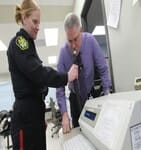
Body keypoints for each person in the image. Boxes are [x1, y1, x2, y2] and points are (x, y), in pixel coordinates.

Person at [7, 1, 78, 150]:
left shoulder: (29, 46)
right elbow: (38, 73)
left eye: (39, 22)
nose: (38, 26)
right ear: (24, 18)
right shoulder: (20, 43)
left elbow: (37, 81)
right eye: (34, 21)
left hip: (33, 117)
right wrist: (66, 77)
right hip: (25, 118)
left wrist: (39, 116)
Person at [56, 13, 111, 134]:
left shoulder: (90, 41)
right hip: (75, 97)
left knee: (97, 128)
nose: (73, 45)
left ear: (81, 30)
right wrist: (64, 115)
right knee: (79, 131)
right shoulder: (63, 53)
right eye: (70, 41)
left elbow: (102, 68)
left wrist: (107, 93)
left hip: (91, 94)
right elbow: (59, 87)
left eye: (76, 39)